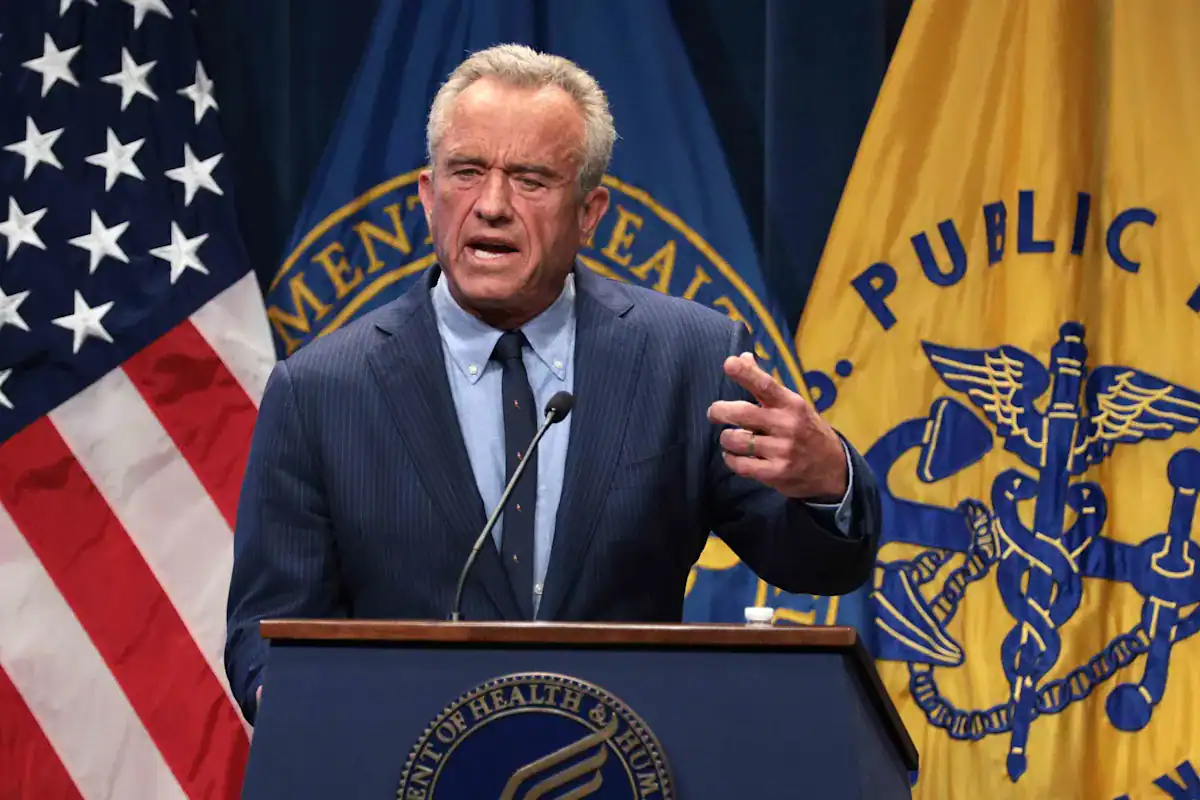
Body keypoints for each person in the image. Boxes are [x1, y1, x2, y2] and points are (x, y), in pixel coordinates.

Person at [224, 44, 881, 725]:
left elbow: (816, 569)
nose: (493, 206)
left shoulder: (689, 360)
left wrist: (827, 483)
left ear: (589, 212)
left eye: (531, 179)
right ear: (427, 195)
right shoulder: (322, 392)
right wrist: (292, 703)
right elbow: (268, 631)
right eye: (468, 173)